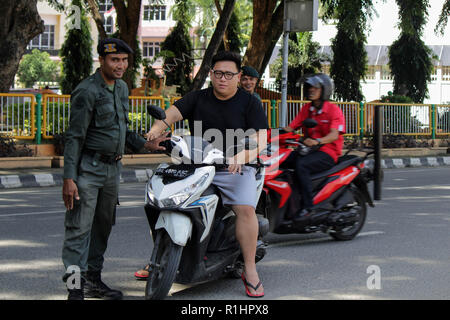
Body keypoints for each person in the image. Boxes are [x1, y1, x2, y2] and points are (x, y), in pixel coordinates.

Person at [144, 51, 268, 297]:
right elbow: (171, 115)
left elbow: (260, 138)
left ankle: (251, 270)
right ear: (211, 74)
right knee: (162, 200)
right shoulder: (197, 98)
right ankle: (160, 255)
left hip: (234, 167)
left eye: (229, 74)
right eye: (218, 73)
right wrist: (154, 132)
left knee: (244, 209)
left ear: (238, 76)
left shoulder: (249, 102)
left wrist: (239, 157)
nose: (223, 79)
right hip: (196, 165)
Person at [61, 38, 166, 300]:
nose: (120, 65)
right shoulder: (87, 91)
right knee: (79, 230)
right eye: (114, 60)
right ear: (102, 61)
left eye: (124, 60)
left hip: (112, 170)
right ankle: (75, 288)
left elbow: (122, 129)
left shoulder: (121, 88)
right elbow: (74, 137)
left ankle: (93, 280)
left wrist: (147, 144)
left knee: (103, 227)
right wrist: (69, 178)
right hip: (88, 169)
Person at [282, 73, 345, 222]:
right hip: (308, 151)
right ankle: (288, 203)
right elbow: (290, 128)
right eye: (309, 87)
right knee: (281, 160)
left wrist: (317, 141)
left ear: (324, 90)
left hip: (328, 153)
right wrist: (268, 134)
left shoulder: (333, 110)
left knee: (301, 165)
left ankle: (308, 208)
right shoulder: (306, 109)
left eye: (315, 87)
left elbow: (334, 135)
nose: (311, 90)